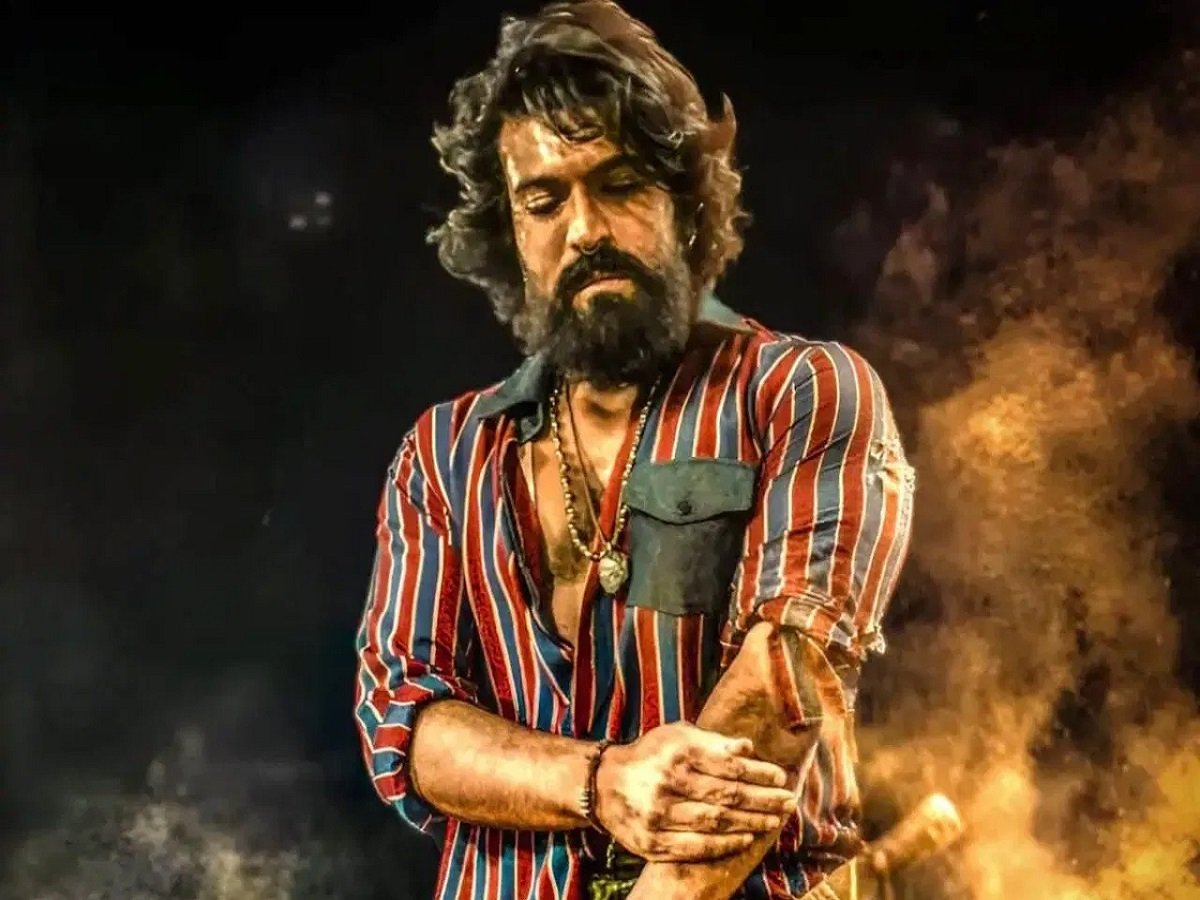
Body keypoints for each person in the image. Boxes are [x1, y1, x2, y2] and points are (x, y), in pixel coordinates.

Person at [353, 3, 916, 898]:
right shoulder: (444, 453)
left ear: (685, 206)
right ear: (511, 232)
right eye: (544, 201)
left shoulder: (801, 392)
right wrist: (601, 782)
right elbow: (403, 718)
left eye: (620, 185)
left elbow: (787, 684)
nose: (585, 229)